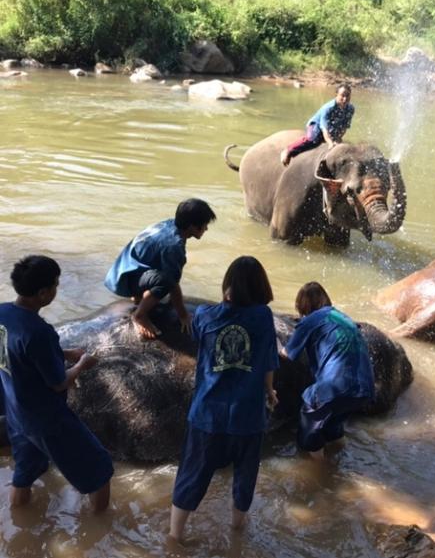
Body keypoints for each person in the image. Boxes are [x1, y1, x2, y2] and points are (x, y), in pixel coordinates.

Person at [169, 256, 279, 541]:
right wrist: (270, 391)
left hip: (207, 413)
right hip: (248, 415)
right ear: (260, 287)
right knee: (244, 477)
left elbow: (195, 334)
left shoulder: (206, 314)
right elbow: (268, 361)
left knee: (193, 474)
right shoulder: (264, 317)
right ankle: (236, 532)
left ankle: (175, 535)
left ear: (228, 285)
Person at [0, 255, 113, 511]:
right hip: (47, 419)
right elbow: (59, 384)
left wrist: (63, 352)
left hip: (16, 413)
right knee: (100, 469)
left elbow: (18, 350)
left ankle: (20, 526)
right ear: (43, 293)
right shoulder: (39, 331)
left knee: (25, 474)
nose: (56, 290)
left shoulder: (3, 313)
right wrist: (83, 363)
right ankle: (99, 529)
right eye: (55, 285)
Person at [281, 282, 374, 458]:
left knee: (309, 420)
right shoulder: (344, 318)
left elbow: (287, 354)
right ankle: (339, 465)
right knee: (332, 427)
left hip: (337, 387)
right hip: (365, 388)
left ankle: (320, 476)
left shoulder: (310, 320)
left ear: (303, 306)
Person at [104, 198, 216, 339]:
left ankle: (139, 296)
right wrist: (183, 315)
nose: (206, 229)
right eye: (205, 225)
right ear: (193, 226)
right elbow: (172, 284)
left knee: (162, 275)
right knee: (166, 281)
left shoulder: (168, 224)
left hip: (122, 271)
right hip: (127, 280)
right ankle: (140, 315)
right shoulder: (174, 246)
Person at [280, 84, 354, 166]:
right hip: (317, 126)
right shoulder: (328, 108)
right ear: (336, 95)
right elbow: (324, 128)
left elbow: (344, 126)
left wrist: (338, 138)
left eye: (347, 96)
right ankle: (289, 150)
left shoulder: (350, 109)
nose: (345, 99)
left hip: (332, 128)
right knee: (313, 139)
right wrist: (330, 143)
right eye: (342, 96)